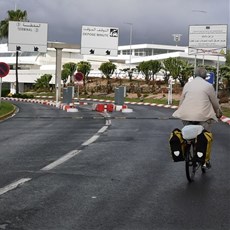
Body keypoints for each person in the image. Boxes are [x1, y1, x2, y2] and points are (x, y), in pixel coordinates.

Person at [172, 66, 222, 168]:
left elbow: (181, 101)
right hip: (203, 118)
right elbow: (215, 103)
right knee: (206, 135)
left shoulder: (187, 85)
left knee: (187, 134)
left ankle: (186, 149)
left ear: (195, 75)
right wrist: (218, 113)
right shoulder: (208, 86)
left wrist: (180, 111)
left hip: (186, 116)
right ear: (205, 76)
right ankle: (205, 160)